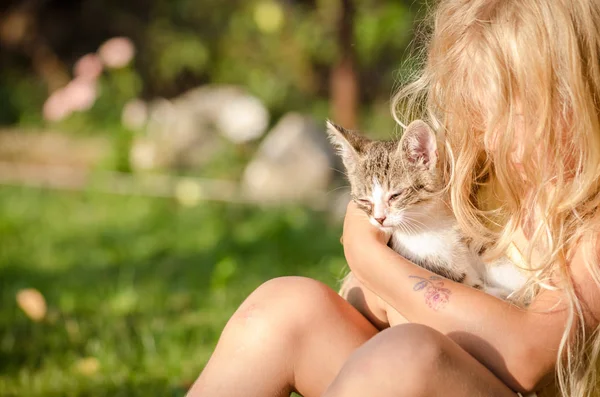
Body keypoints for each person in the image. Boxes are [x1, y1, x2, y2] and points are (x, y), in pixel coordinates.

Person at [187, 0, 600, 396]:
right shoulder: (477, 174)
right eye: (479, 115)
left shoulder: (593, 220)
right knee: (285, 309)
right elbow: (375, 308)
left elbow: (525, 357)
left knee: (408, 356)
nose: (489, 138)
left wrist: (370, 258)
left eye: (513, 114)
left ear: (580, 97)